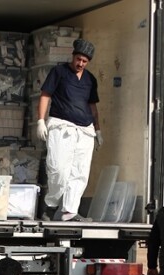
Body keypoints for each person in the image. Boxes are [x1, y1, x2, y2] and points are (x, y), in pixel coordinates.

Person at [36, 39, 102, 222]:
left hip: (85, 130)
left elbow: (93, 106)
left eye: (84, 61)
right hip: (61, 126)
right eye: (78, 59)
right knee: (58, 169)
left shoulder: (90, 79)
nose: (80, 63)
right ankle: (51, 205)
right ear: (73, 57)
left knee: (80, 171)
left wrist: (98, 129)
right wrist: (41, 120)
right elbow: (45, 95)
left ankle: (70, 211)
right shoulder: (59, 72)